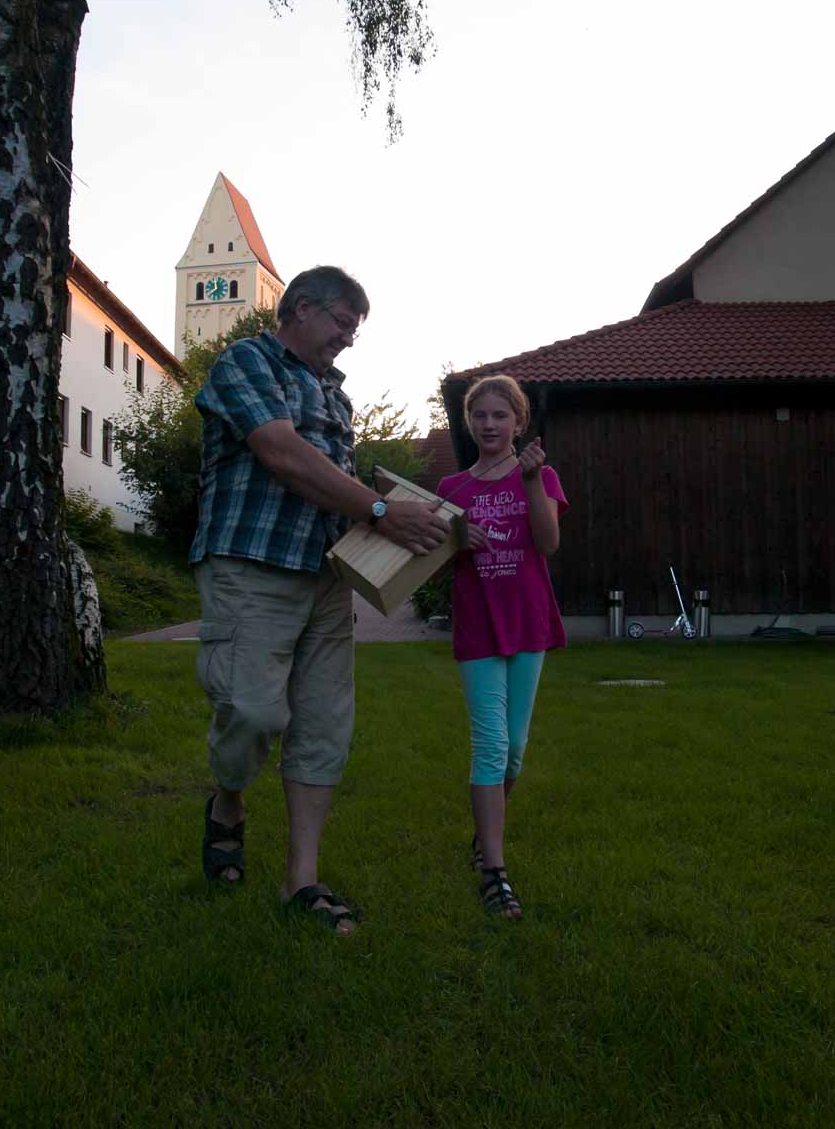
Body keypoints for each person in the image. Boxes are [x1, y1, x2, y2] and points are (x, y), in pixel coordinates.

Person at [190, 265, 449, 935]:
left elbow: (337, 483)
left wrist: (400, 524)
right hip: (252, 565)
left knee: (324, 726)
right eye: (342, 323)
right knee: (251, 712)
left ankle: (300, 880)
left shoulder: (337, 395)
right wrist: (382, 509)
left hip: (326, 578)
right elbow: (280, 452)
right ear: (302, 307)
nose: (348, 339)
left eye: (354, 330)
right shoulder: (246, 361)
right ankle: (228, 802)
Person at [436, 374, 567, 919]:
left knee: (515, 747)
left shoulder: (540, 474)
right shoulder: (451, 489)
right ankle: (494, 871)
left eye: (500, 415)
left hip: (527, 622)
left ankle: (484, 832)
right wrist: (453, 540)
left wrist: (531, 481)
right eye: (480, 416)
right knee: (490, 745)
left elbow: (548, 543)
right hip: (479, 627)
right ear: (469, 422)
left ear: (519, 422)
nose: (489, 425)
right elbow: (432, 560)